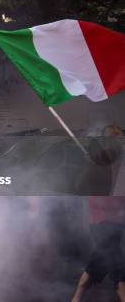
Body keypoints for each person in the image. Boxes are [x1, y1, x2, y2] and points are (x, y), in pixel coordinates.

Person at [72, 124, 125, 302]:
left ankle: (78, 294)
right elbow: (79, 186)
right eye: (112, 138)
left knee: (101, 260)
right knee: (117, 265)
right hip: (102, 220)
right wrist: (88, 165)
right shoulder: (96, 161)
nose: (116, 142)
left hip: (117, 220)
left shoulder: (118, 160)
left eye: (119, 138)